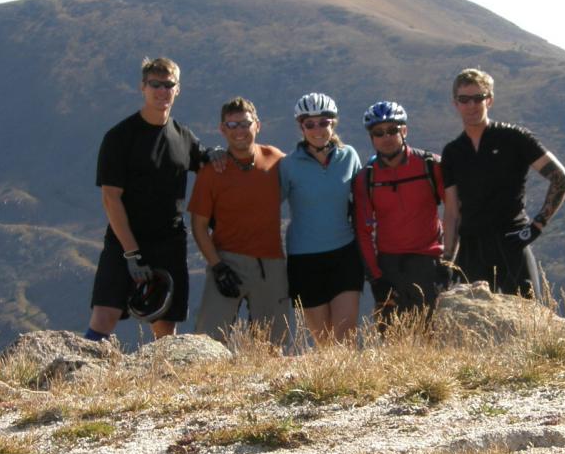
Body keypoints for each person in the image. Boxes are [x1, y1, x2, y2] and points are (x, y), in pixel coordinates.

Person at [85, 57, 207, 341]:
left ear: (178, 89)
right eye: (155, 84)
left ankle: (159, 382)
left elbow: (209, 165)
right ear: (143, 87)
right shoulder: (119, 137)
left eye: (168, 85)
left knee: (165, 328)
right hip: (124, 242)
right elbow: (110, 198)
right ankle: (78, 378)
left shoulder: (183, 136)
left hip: (169, 243)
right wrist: (131, 253)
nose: (162, 91)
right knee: (105, 315)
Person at [441, 68, 565, 297]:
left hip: (512, 241)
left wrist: (537, 226)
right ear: (456, 104)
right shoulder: (452, 152)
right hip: (472, 249)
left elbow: (560, 178)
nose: (471, 105)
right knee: (473, 328)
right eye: (464, 99)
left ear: (489, 100)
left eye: (478, 98)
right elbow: (451, 212)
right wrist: (447, 262)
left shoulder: (514, 138)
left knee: (528, 322)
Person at [188, 97, 290, 345]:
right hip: (226, 261)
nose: (239, 132)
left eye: (245, 124)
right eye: (232, 126)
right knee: (207, 341)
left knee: (272, 344)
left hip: (271, 263)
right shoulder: (212, 171)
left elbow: (307, 176)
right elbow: (198, 226)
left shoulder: (276, 159)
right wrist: (218, 266)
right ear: (222, 129)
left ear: (258, 125)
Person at [353, 101, 450, 327]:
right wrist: (376, 279)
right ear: (371, 138)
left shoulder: (431, 165)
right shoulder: (365, 179)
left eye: (393, 130)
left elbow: (455, 212)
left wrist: (449, 260)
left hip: (429, 263)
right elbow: (363, 232)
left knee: (435, 335)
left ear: (404, 131)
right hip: (389, 268)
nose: (386, 137)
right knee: (394, 341)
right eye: (379, 132)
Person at [280, 93, 364, 346]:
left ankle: (349, 385)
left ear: (333, 123)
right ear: (301, 127)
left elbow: (363, 203)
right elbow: (267, 205)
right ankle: (330, 385)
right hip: (305, 259)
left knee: (345, 335)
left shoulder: (349, 156)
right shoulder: (288, 165)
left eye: (324, 122)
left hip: (345, 254)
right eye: (310, 124)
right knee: (324, 341)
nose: (317, 129)